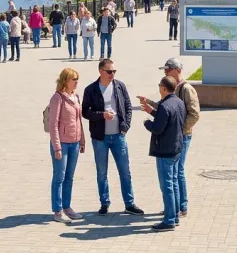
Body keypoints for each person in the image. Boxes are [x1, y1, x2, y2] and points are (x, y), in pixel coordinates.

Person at [140, 58, 200, 220]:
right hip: (176, 135)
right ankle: (173, 207)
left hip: (182, 136)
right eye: (164, 70)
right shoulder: (173, 91)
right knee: (174, 173)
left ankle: (181, 207)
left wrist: (179, 129)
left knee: (177, 172)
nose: (165, 72)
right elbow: (165, 109)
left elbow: (194, 114)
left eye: (168, 70)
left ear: (178, 70)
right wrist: (149, 105)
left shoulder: (187, 89)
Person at [81, 59, 143, 216]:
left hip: (118, 137)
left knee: (125, 171)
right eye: (109, 71)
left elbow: (128, 107)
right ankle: (104, 203)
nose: (112, 74)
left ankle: (129, 204)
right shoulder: (91, 89)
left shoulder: (119, 86)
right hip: (100, 138)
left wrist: (125, 126)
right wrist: (102, 115)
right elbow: (85, 112)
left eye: (114, 71)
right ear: (101, 71)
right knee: (102, 172)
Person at [141, 76, 186, 231]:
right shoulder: (178, 102)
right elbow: (168, 119)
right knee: (173, 183)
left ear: (164, 88)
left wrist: (147, 122)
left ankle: (169, 220)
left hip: (165, 151)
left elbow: (158, 128)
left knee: (167, 186)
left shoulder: (165, 105)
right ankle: (175, 216)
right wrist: (153, 111)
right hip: (176, 148)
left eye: (160, 85)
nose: (159, 88)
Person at [48, 68, 86, 223]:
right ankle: (57, 211)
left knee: (69, 177)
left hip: (75, 142)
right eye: (74, 79)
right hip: (62, 144)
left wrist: (82, 140)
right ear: (65, 81)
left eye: (77, 79)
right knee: (59, 176)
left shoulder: (76, 96)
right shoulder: (57, 98)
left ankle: (67, 207)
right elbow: (53, 124)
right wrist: (57, 146)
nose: (76, 82)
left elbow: (78, 120)